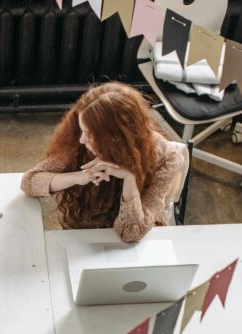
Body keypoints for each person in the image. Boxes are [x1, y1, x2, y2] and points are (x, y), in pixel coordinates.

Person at [21, 82, 185, 243]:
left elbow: (131, 232)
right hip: (84, 233)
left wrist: (130, 178)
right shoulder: (79, 143)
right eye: (82, 130)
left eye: (89, 133)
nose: (82, 139)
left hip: (135, 241)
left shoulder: (167, 157)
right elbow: (30, 182)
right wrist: (79, 177)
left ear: (114, 137)